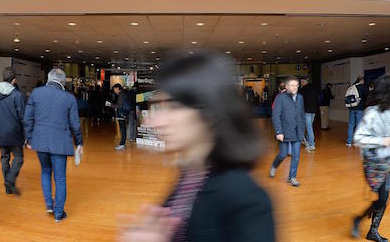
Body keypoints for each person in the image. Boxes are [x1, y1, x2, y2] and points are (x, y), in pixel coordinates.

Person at [118, 51, 274, 242]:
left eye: (173, 107)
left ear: (208, 112)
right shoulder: (191, 176)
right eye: (157, 106)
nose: (155, 121)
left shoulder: (245, 197)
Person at [24, 68, 83, 223]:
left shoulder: (36, 93)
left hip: (40, 141)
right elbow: (75, 124)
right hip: (60, 143)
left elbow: (27, 118)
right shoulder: (69, 98)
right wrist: (79, 143)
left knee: (45, 171)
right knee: (60, 178)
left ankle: (49, 204)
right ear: (63, 82)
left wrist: (29, 139)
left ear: (48, 79)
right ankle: (59, 213)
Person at [351, 74, 390, 242]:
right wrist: (381, 141)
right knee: (382, 199)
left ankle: (372, 229)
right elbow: (358, 138)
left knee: (383, 199)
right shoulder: (372, 113)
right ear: (388, 91)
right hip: (375, 164)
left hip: (388, 163)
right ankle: (361, 221)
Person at [0, 67, 26, 195]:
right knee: (19, 158)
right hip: (15, 132)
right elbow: (22, 117)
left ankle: (8, 187)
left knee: (4, 158)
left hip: (0, 132)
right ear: (13, 80)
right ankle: (9, 180)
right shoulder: (17, 95)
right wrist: (26, 134)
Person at [269, 76, 306, 187]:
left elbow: (301, 114)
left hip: (297, 131)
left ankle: (292, 177)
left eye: (296, 85)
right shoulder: (280, 98)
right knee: (283, 154)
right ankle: (274, 166)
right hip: (284, 131)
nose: (295, 87)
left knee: (296, 156)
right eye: (292, 85)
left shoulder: (300, 97)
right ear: (286, 86)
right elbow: (276, 116)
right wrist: (279, 131)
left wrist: (303, 128)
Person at [345, 76, 368, 147]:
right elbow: (367, 96)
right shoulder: (362, 87)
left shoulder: (352, 86)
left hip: (352, 108)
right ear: (362, 80)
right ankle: (356, 142)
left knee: (351, 125)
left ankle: (349, 142)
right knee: (358, 125)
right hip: (360, 108)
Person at [299, 77, 319, 152]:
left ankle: (311, 144)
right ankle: (307, 140)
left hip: (306, 110)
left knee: (309, 127)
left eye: (301, 82)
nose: (301, 83)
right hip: (313, 110)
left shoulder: (302, 90)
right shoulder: (314, 88)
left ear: (303, 82)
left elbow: (300, 101)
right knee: (309, 126)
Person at [113, 84, 132, 151]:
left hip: (121, 113)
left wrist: (111, 105)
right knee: (123, 128)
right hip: (124, 113)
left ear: (118, 88)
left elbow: (119, 106)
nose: (114, 91)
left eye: (114, 89)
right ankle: (122, 144)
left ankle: (122, 144)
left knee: (122, 129)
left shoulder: (121, 94)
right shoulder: (124, 93)